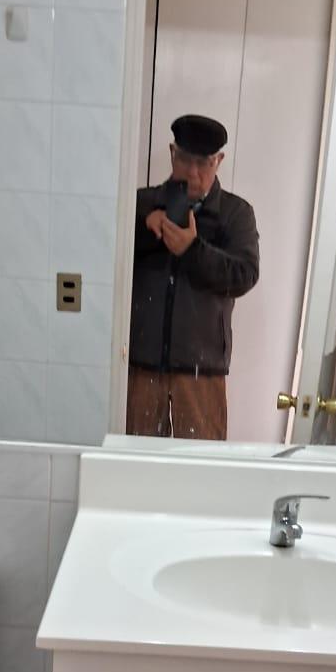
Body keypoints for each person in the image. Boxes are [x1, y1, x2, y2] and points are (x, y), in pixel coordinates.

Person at [127, 114, 260, 440]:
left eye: (204, 163)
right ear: (172, 153)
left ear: (219, 161)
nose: (193, 172)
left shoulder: (235, 213)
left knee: (201, 464)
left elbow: (244, 275)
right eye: (185, 160)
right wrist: (146, 228)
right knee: (137, 462)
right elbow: (109, 257)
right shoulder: (140, 204)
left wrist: (191, 249)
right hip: (140, 365)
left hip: (204, 372)